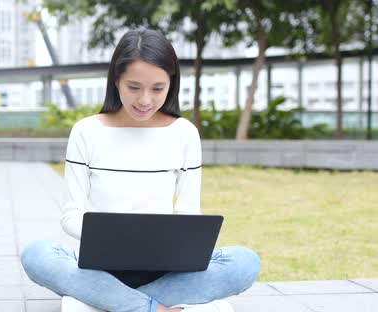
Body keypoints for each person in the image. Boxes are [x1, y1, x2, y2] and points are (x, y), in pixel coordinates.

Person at [21, 28, 260, 312]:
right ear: (116, 80)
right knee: (36, 255)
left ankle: (112, 302)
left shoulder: (184, 133)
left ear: (171, 84)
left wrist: (177, 247)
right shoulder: (86, 131)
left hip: (164, 268)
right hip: (101, 267)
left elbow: (188, 215)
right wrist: (111, 238)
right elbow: (71, 215)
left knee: (244, 263)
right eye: (134, 87)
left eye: (157, 88)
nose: (145, 100)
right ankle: (153, 307)